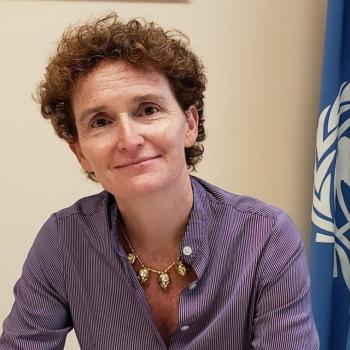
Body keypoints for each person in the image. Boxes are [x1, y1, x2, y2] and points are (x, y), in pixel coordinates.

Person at [0, 12, 319, 350]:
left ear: (190, 123)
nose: (129, 138)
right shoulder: (63, 241)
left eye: (148, 110)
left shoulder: (266, 237)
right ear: (80, 152)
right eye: (101, 121)